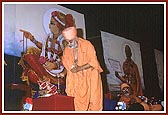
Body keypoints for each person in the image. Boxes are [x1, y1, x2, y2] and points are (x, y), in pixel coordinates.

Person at [18, 10, 75, 96]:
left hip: (58, 74)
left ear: (59, 26)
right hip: (45, 69)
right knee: (29, 61)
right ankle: (46, 84)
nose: (49, 25)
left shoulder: (64, 41)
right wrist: (32, 38)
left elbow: (69, 59)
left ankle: (48, 85)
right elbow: (45, 48)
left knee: (32, 72)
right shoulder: (49, 37)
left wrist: (55, 65)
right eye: (50, 23)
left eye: (52, 23)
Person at [60, 26, 103, 111]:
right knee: (76, 103)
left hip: (90, 77)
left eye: (71, 41)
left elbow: (93, 62)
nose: (69, 44)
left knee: (94, 101)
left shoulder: (87, 45)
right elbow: (68, 65)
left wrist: (79, 68)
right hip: (76, 81)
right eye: (67, 42)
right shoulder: (67, 50)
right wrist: (63, 73)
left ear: (76, 37)